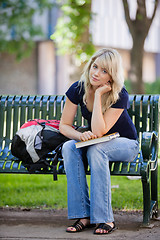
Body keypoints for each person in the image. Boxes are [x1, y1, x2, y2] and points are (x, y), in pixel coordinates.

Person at [59, 48, 139, 235]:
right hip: (98, 142)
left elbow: (98, 131)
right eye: (95, 67)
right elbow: (64, 126)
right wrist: (80, 136)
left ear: (112, 76)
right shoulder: (78, 88)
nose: (96, 73)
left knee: (97, 150)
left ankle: (105, 219)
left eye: (104, 71)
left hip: (126, 144)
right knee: (69, 147)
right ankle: (83, 216)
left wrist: (99, 96)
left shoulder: (120, 94)